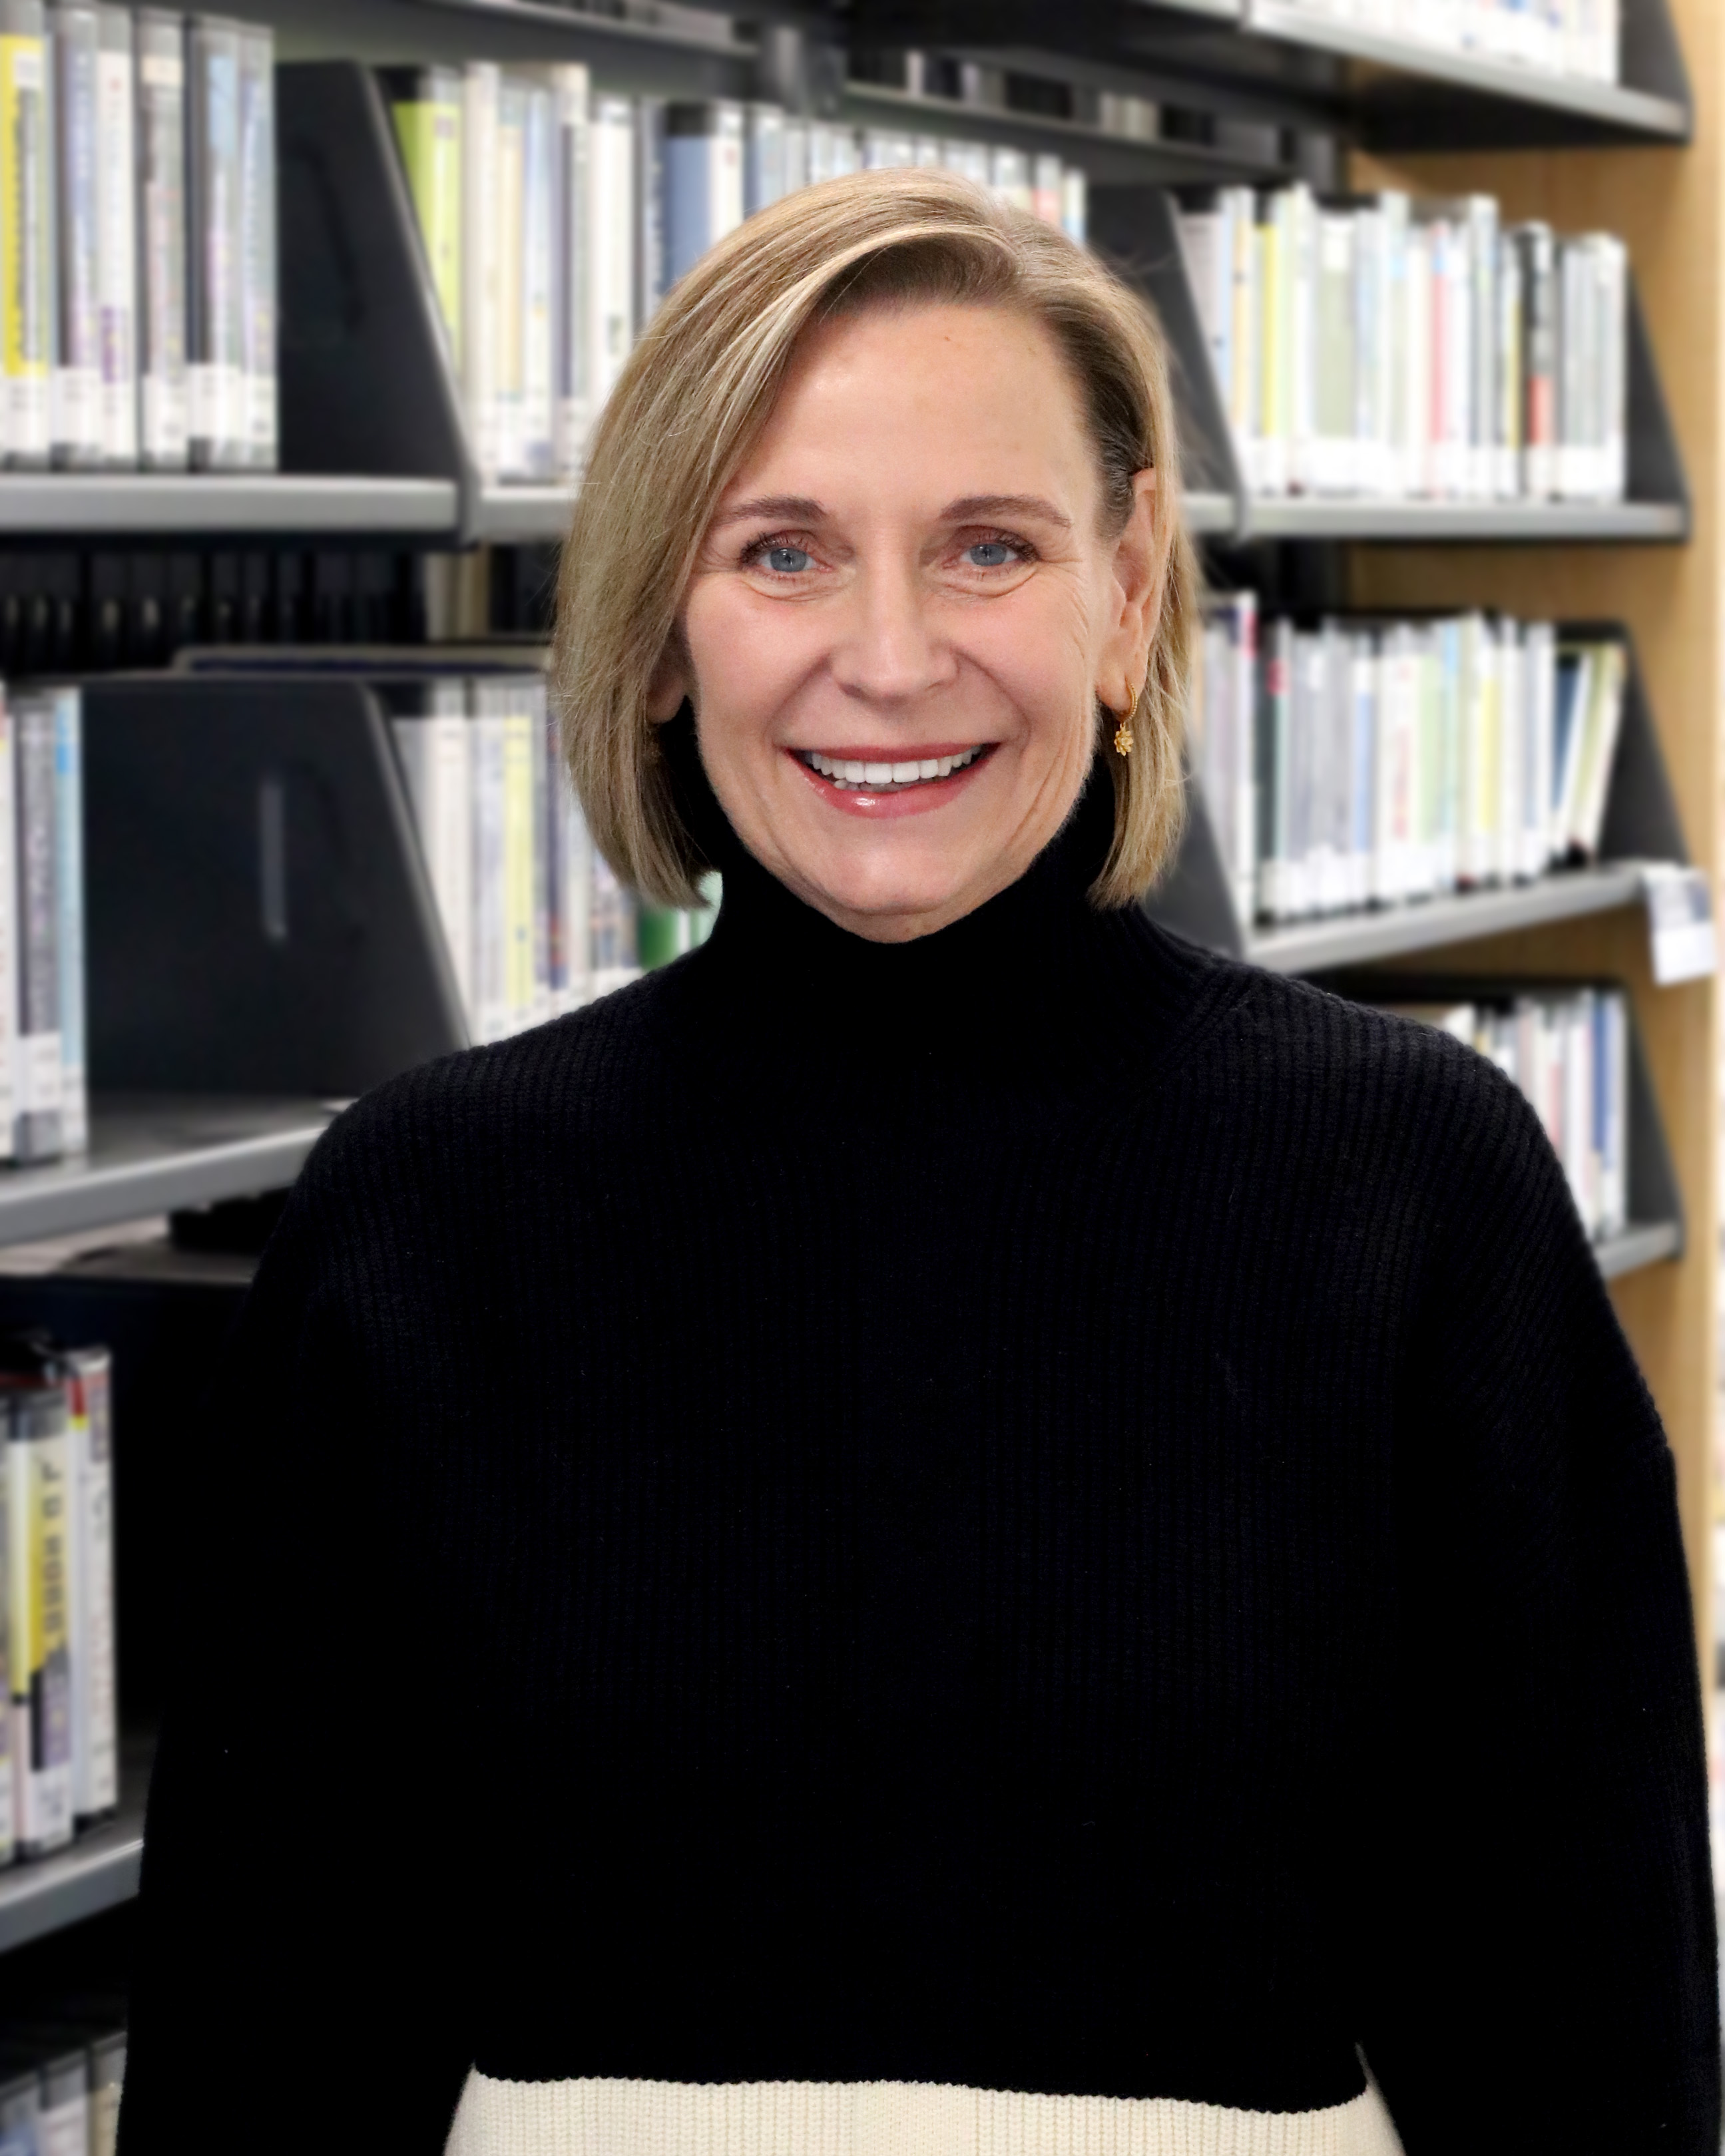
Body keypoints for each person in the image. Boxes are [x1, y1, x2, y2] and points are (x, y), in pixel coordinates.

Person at [121, 170, 1716, 2155]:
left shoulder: (1417, 1195)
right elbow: (258, 2046)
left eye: (988, 549)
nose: (888, 658)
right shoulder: (421, 1223)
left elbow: (1593, 2044)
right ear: (663, 628)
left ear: (1126, 594)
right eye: (783, 552)